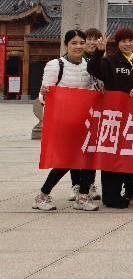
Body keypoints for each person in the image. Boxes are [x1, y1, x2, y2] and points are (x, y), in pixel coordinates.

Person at [33, 30, 99, 212]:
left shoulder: (90, 66)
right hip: (62, 122)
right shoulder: (55, 65)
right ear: (66, 45)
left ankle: (83, 196)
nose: (78, 46)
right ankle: (43, 195)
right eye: (74, 43)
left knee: (89, 158)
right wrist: (44, 94)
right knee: (67, 160)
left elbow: (93, 91)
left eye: (81, 43)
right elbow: (43, 94)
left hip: (84, 121)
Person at [88, 27, 133, 209]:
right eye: (123, 41)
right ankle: (110, 196)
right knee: (111, 156)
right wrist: (98, 51)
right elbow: (93, 69)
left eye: (131, 40)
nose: (128, 44)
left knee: (125, 156)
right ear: (117, 44)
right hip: (113, 117)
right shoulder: (109, 61)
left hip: (132, 119)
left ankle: (120, 192)